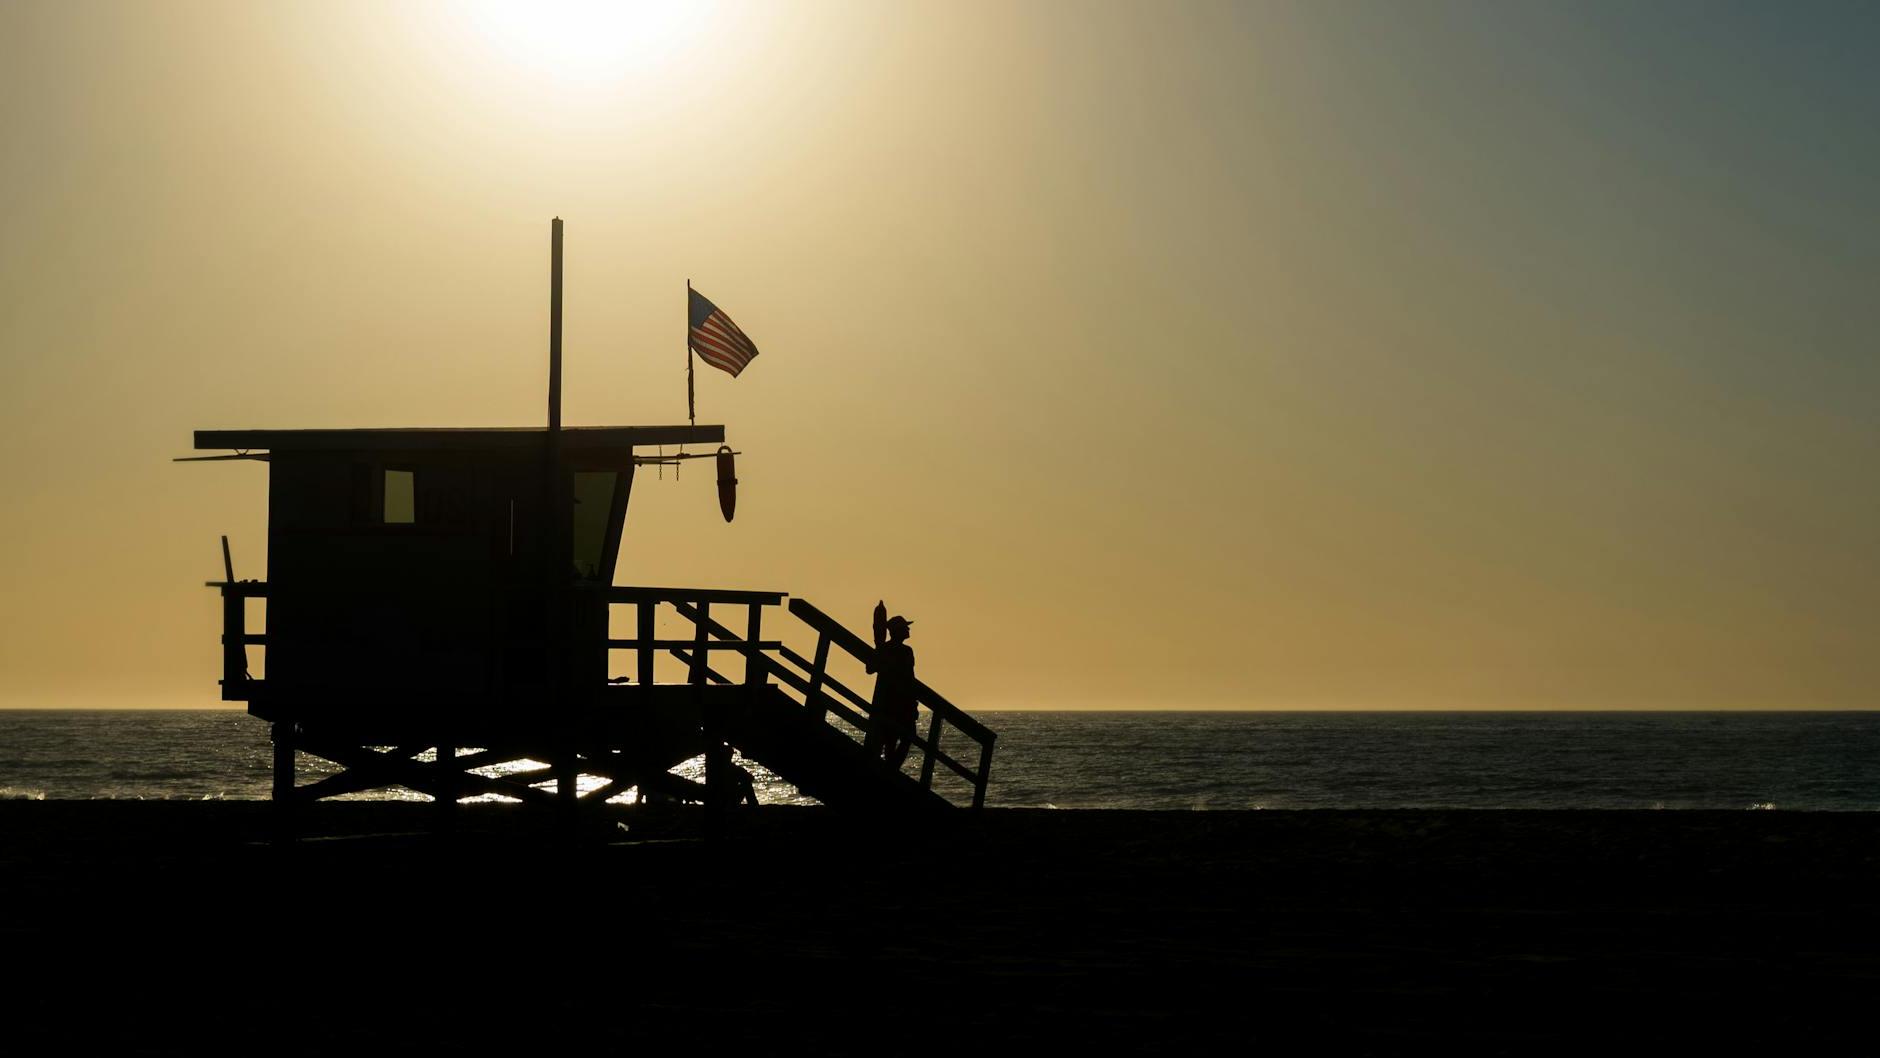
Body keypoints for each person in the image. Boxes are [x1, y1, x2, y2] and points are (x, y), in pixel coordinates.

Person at [865, 603, 918, 768]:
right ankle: (891, 768)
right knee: (903, 736)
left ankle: (886, 767)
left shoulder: (885, 648)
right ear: (899, 631)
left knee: (887, 738)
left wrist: (879, 649)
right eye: (905, 628)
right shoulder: (905, 651)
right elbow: (910, 679)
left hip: (885, 703)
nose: (908, 631)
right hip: (899, 705)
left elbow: (870, 668)